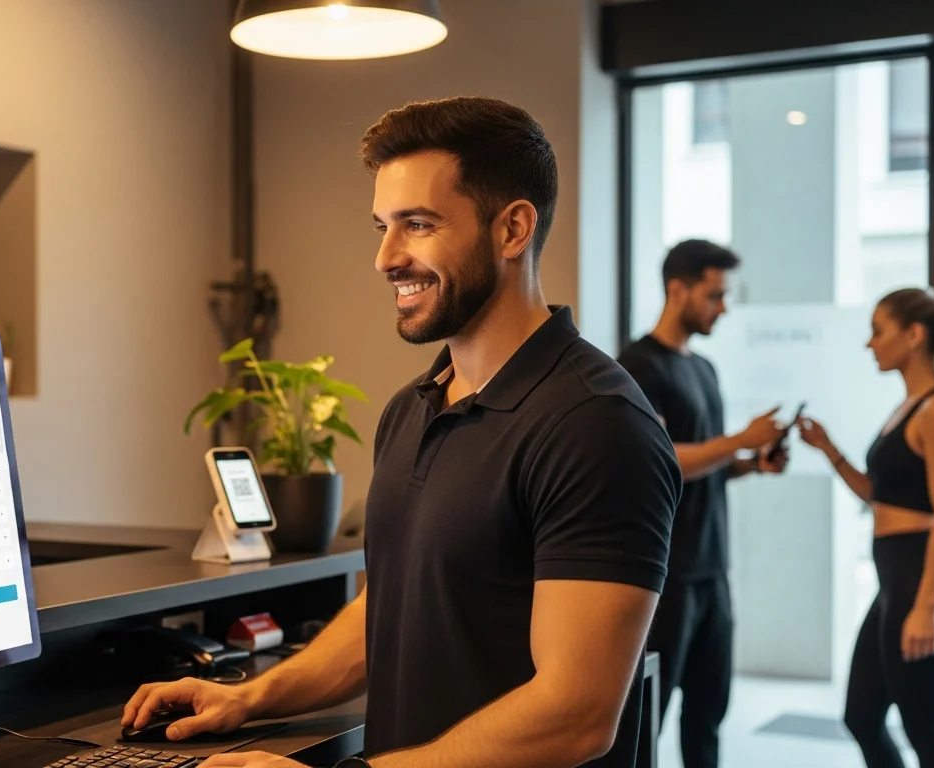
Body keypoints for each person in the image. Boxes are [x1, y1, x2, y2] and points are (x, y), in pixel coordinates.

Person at [122, 96, 681, 768]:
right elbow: (392, 608)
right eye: (382, 227)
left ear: (512, 230)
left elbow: (576, 714)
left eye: (417, 225)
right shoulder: (413, 407)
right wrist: (250, 697)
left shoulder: (595, 424)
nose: (386, 257)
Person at [615, 239, 790, 768]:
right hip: (667, 578)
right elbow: (664, 460)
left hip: (712, 571)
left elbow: (704, 461)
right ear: (677, 289)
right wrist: (738, 440)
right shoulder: (638, 365)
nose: (723, 307)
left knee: (708, 716)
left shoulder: (705, 369)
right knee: (651, 717)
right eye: (715, 295)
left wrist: (750, 462)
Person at [797, 285, 934, 768]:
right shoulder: (908, 408)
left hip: (925, 587)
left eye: (878, 331)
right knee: (862, 718)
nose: (869, 343)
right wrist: (829, 449)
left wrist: (926, 607)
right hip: (896, 586)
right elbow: (879, 496)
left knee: (931, 740)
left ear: (914, 335)